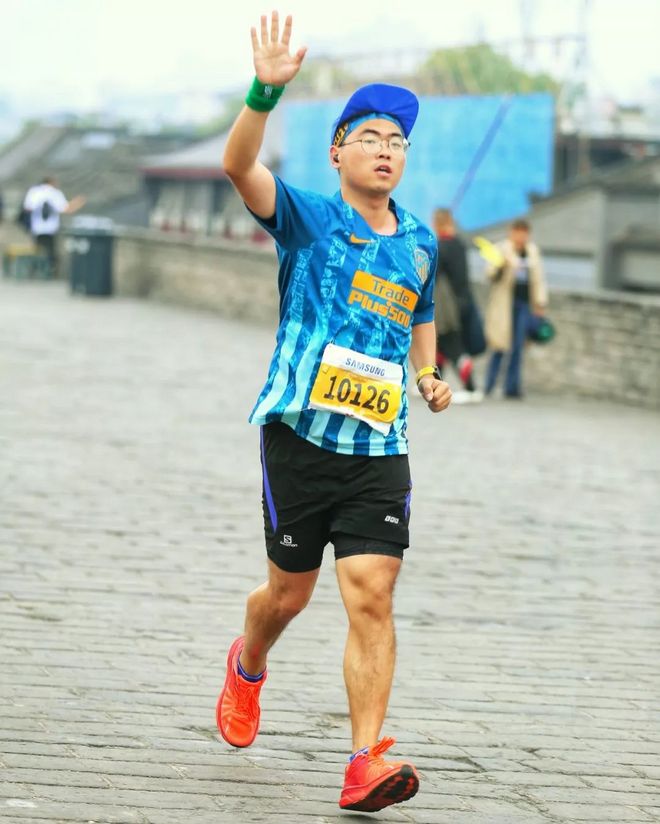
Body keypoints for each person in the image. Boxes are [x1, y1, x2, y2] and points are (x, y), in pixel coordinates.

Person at [215, 11, 452, 814]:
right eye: (371, 135)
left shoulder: (420, 243)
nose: (387, 149)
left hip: (380, 447)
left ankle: (364, 760)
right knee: (288, 595)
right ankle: (248, 663)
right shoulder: (309, 218)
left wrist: (430, 374)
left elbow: (420, 314)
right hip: (299, 437)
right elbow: (238, 165)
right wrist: (263, 92)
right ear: (338, 150)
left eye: (399, 141)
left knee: (372, 592)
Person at [484, 218, 548, 398]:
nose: (521, 237)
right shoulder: (502, 250)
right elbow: (490, 274)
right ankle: (489, 384)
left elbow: (538, 279)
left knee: (518, 345)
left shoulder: (532, 252)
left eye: (524, 233)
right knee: (499, 345)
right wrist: (502, 265)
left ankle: (512, 387)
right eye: (518, 232)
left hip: (524, 304)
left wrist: (540, 303)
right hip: (504, 304)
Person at [432, 207, 482, 395]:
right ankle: (434, 382)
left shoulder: (442, 246)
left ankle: (470, 387)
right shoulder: (459, 244)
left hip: (447, 307)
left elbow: (434, 277)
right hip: (462, 300)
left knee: (451, 344)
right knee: (441, 344)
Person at [22, 177, 85, 275]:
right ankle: (49, 272)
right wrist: (78, 202)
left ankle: (35, 270)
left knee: (37, 249)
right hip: (51, 228)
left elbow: (27, 207)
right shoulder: (55, 193)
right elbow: (66, 209)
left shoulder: (34, 191)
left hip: (37, 227)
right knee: (50, 251)